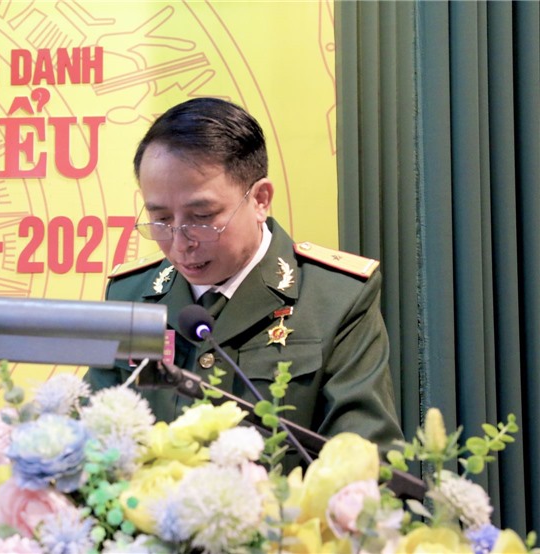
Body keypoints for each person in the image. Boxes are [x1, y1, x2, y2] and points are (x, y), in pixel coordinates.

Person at [83, 97, 402, 454]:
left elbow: (365, 459)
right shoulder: (131, 296)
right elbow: (92, 434)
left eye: (202, 217)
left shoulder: (335, 300)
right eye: (161, 219)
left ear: (260, 199)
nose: (180, 242)